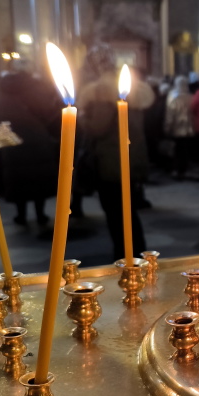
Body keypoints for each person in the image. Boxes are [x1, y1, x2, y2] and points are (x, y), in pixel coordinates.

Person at [77, 45, 155, 260]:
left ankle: (126, 255)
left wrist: (81, 117)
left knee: (117, 212)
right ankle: (134, 252)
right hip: (130, 156)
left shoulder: (102, 91)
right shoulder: (132, 88)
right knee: (127, 210)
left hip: (111, 161)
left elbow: (97, 128)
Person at [0, 59, 61, 227]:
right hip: (35, 134)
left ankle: (20, 214)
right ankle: (40, 214)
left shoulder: (3, 87)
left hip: (12, 135)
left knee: (17, 175)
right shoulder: (34, 86)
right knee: (38, 175)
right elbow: (45, 108)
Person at [164, 75, 195, 179]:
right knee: (185, 149)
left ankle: (177, 170)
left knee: (177, 150)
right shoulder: (191, 97)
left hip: (176, 129)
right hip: (189, 129)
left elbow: (170, 115)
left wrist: (167, 127)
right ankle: (184, 169)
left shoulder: (173, 98)